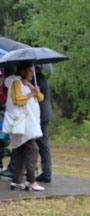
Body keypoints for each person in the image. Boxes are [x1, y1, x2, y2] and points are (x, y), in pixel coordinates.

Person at [2, 62, 46, 191]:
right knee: (33, 149)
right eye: (30, 71)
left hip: (28, 123)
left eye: (33, 71)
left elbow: (41, 97)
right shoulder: (16, 83)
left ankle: (17, 180)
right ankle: (31, 181)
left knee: (21, 150)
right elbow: (17, 99)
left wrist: (32, 88)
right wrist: (32, 93)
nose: (32, 73)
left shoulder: (27, 83)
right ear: (22, 72)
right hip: (21, 123)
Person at [34, 68, 53, 183]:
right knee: (41, 144)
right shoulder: (40, 77)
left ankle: (46, 173)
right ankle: (45, 172)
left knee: (42, 144)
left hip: (41, 115)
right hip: (43, 114)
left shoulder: (38, 79)